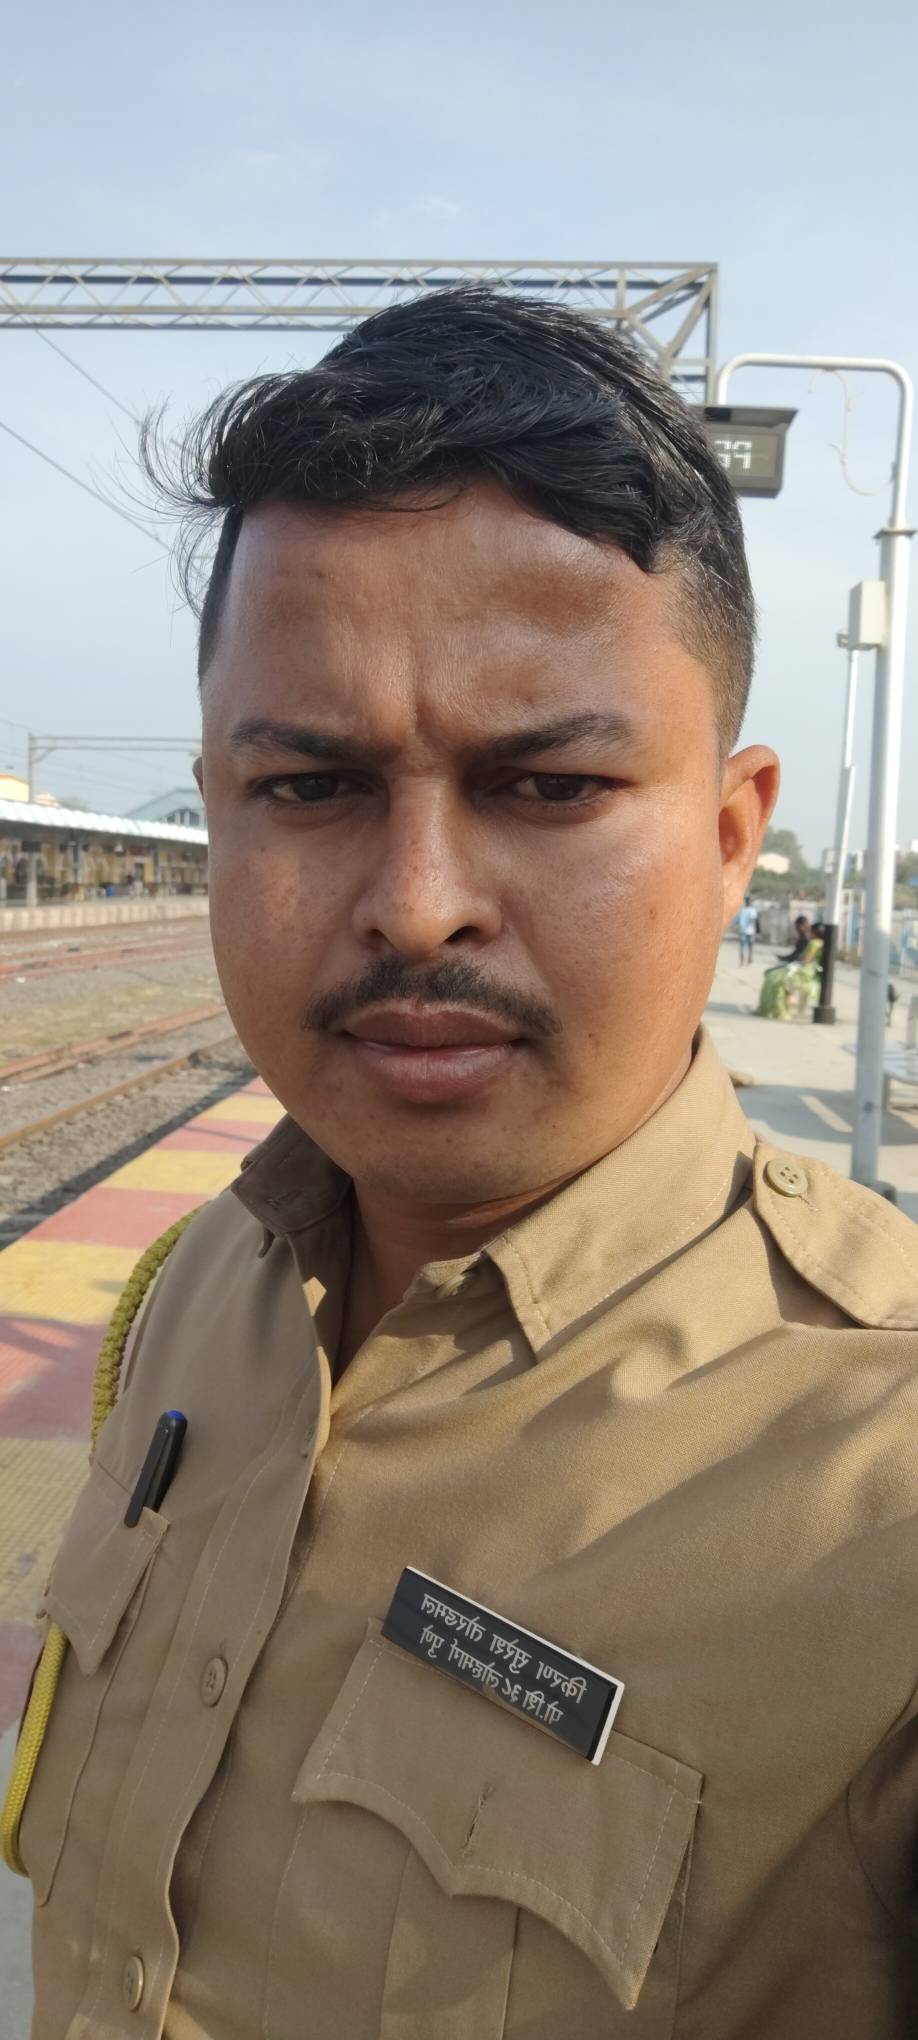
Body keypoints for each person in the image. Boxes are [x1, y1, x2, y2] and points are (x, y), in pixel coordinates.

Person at [8, 288, 918, 2040]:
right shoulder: (198, 1297)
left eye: (548, 787)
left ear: (731, 836)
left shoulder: (876, 1491)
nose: (417, 904)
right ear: (216, 807)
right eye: (310, 787)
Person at [736, 893, 758, 964]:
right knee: (750, 947)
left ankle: (742, 961)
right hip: (750, 931)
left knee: (742, 947)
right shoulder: (752, 910)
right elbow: (754, 921)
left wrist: (739, 930)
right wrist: (754, 932)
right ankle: (749, 960)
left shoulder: (742, 910)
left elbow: (739, 921)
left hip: (743, 931)